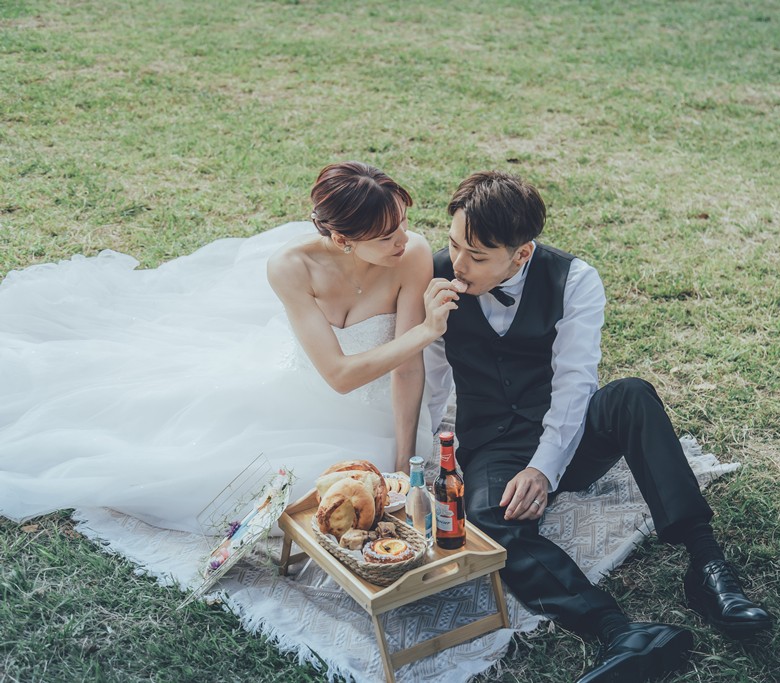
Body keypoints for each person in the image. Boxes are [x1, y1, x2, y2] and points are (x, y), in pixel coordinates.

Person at [425, 171, 772, 683]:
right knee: (485, 522)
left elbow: (574, 386)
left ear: (521, 254)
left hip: (565, 436)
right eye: (454, 246)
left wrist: (544, 469)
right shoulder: (433, 279)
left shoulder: (575, 279)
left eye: (477, 257)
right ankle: (619, 630)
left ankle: (707, 566)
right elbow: (428, 385)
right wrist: (417, 472)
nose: (458, 265)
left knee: (631, 394)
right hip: (493, 446)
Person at [0, 161, 455, 536]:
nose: (404, 239)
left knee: (364, 496)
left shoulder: (408, 254)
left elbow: (407, 369)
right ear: (342, 240)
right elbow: (337, 376)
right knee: (209, 474)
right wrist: (427, 330)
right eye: (385, 235)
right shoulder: (291, 268)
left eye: (403, 223)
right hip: (306, 398)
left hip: (384, 411)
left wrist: (403, 463)